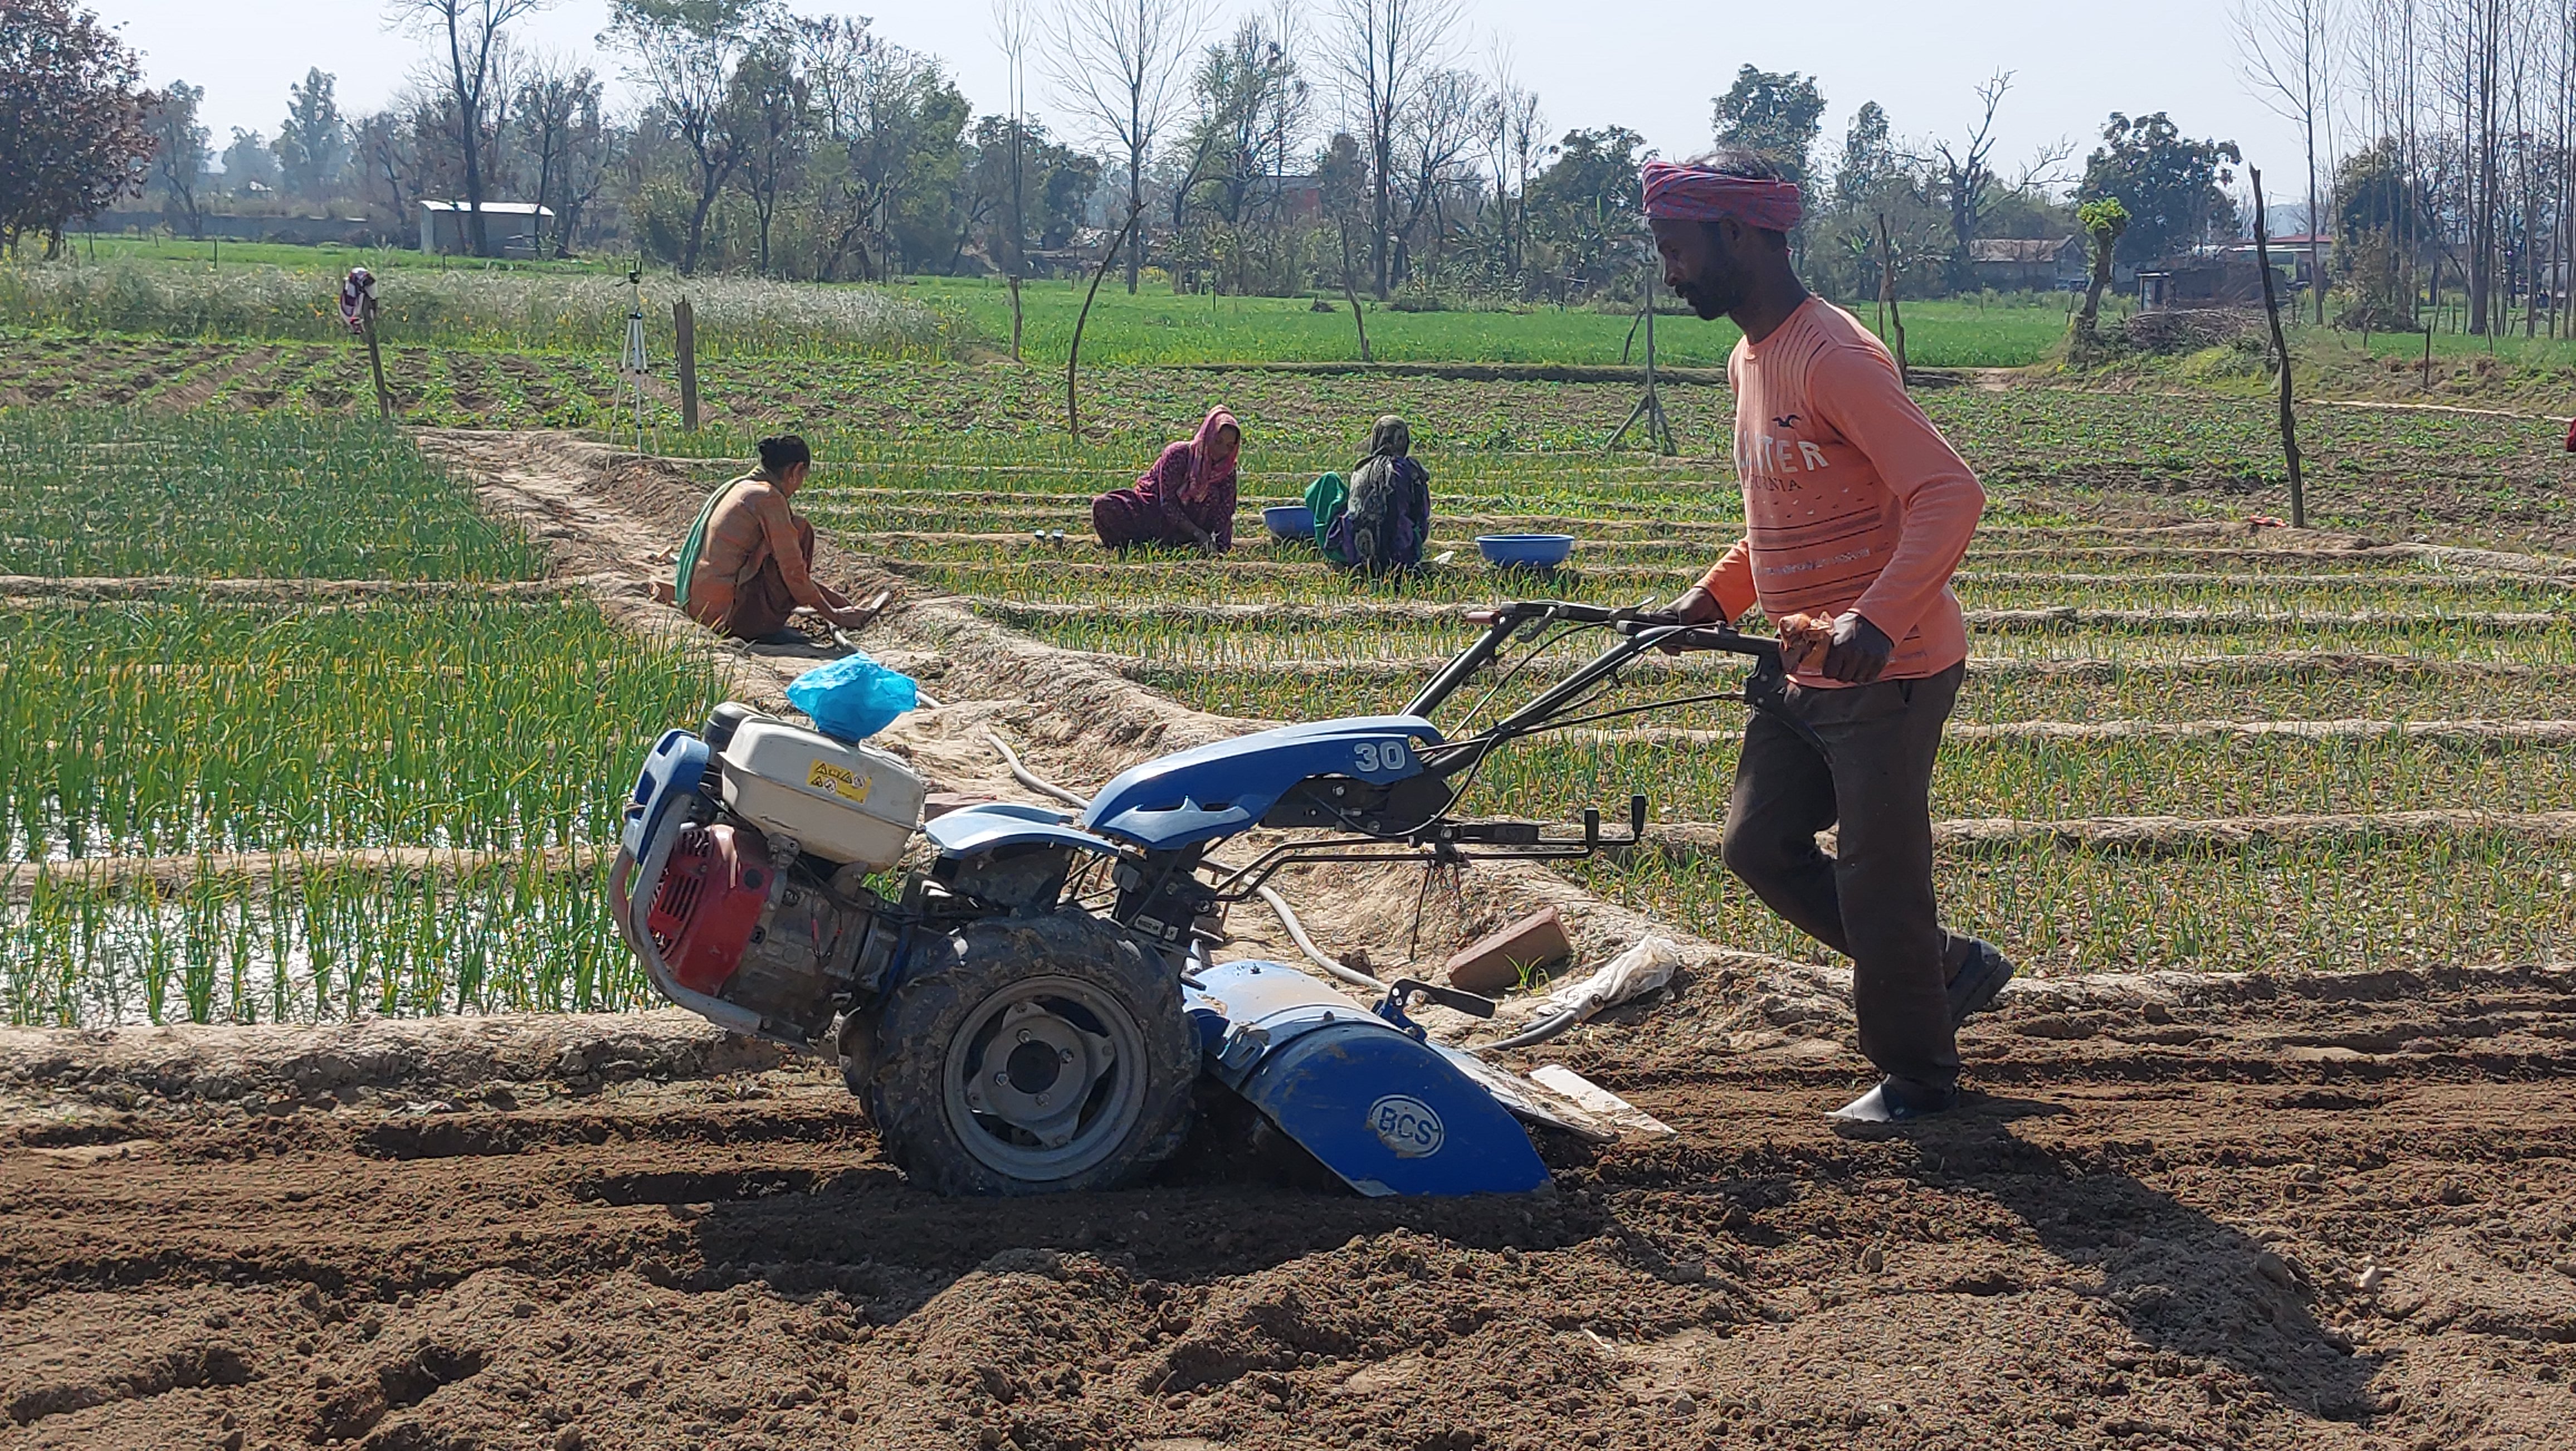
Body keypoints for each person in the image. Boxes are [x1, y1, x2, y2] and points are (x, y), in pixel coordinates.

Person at [1641, 149, 2014, 1124]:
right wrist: (1713, 597)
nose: (1670, 270)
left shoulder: (1831, 355)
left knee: (1878, 873)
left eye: (1677, 249)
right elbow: (1786, 505)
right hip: (1799, 658)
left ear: (1738, 235)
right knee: (1756, 841)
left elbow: (1946, 494)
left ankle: (1919, 1076)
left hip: (1887, 667)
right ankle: (1941, 970)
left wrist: (1877, 619)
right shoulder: (1749, 358)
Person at [677, 434, 872, 644]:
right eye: (803, 477)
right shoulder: (768, 498)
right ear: (795, 471)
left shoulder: (740, 486)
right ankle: (761, 628)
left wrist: (834, 600)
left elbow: (782, 570)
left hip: (701, 608)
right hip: (725, 619)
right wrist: (836, 616)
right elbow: (793, 573)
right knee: (800, 530)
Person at [1092, 407, 1242, 553]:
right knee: (1104, 505)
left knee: (1214, 495)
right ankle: (1137, 546)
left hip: (1191, 527)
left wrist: (1223, 549)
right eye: (1218, 441)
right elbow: (1168, 503)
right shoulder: (1178, 454)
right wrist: (1197, 533)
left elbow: (1225, 512)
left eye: (1229, 446)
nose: (1222, 451)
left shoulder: (1226, 470)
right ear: (1208, 435)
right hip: (1154, 515)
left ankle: (1180, 544)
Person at [1307, 416, 1432, 572]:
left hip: (1355, 552)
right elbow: (1422, 514)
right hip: (1400, 556)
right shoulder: (1412, 471)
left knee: (1330, 484)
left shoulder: (1361, 468)